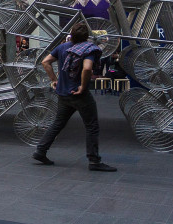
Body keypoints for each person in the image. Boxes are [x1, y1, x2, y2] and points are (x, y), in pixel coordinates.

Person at [31, 22, 116, 172]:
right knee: (92, 126)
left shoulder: (63, 47)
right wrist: (83, 86)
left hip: (63, 93)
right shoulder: (88, 49)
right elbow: (88, 68)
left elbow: (45, 62)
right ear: (86, 36)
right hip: (79, 94)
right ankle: (94, 161)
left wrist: (54, 80)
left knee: (58, 123)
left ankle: (40, 150)